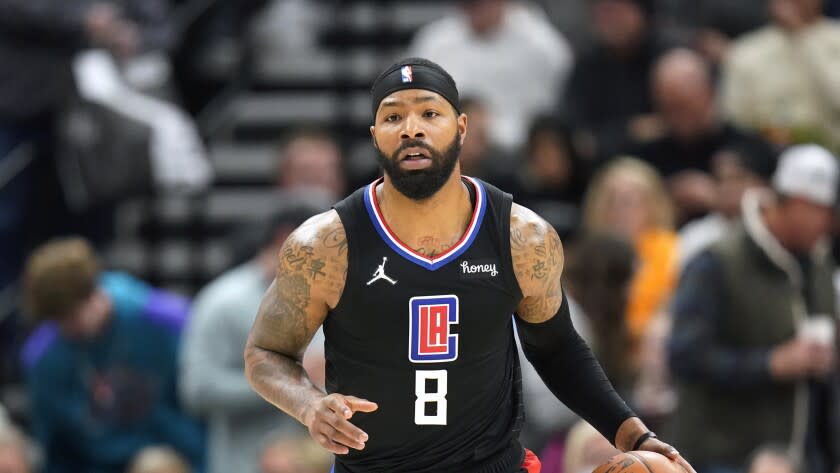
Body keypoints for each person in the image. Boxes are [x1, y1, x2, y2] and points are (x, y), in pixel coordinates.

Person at [243, 57, 695, 473]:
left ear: (461, 128)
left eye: (429, 113)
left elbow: (556, 350)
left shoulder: (523, 237)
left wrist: (635, 433)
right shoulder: (325, 244)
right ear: (374, 136)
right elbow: (266, 352)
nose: (410, 129)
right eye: (393, 116)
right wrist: (307, 405)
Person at [667, 145, 840, 473]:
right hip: (723, 457)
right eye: (821, 211)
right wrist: (770, 364)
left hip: (803, 456)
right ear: (792, 203)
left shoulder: (818, 266)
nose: (828, 224)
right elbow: (685, 355)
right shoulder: (717, 262)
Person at [20, 238, 205, 473]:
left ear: (94, 295)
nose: (67, 328)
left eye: (71, 318)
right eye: (58, 321)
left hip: (177, 455)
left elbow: (198, 408)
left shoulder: (163, 320)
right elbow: (53, 444)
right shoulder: (43, 357)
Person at [179, 203, 323, 473]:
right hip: (243, 464)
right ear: (286, 239)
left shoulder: (332, 296)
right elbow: (196, 390)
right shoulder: (223, 302)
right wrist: (286, 383)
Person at [720, 0, 840, 151]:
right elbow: (735, 122)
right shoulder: (745, 53)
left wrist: (803, 35)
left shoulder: (837, 39)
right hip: (770, 158)